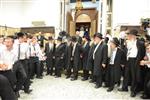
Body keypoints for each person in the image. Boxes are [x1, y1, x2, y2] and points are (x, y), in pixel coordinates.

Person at [118, 29, 146, 97]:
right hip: (128, 60)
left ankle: (133, 91)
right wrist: (123, 61)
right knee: (126, 74)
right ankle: (124, 87)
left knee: (134, 76)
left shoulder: (140, 43)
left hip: (135, 61)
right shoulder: (128, 42)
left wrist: (140, 61)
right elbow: (125, 52)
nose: (128, 36)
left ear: (134, 36)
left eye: (130, 35)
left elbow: (142, 53)